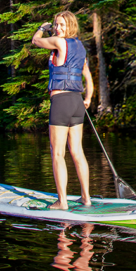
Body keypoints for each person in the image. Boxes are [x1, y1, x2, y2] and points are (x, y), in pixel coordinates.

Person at [32, 11, 95, 210]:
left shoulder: (60, 43)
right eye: (56, 25)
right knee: (77, 152)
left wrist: (43, 28)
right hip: (77, 103)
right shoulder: (80, 48)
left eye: (61, 25)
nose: (58, 28)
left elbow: (35, 41)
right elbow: (88, 78)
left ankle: (63, 202)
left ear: (70, 26)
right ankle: (86, 199)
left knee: (58, 153)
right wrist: (88, 98)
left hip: (61, 102)